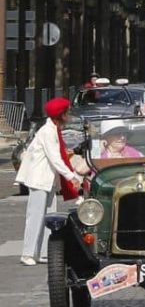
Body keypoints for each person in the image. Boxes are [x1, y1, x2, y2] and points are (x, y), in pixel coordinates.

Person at [15, 97, 82, 266]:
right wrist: (71, 176)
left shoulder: (53, 129)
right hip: (39, 179)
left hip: (48, 180)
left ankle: (44, 252)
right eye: (67, 112)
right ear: (61, 115)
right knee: (35, 217)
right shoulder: (47, 132)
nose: (69, 115)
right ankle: (28, 253)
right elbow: (55, 159)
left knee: (49, 218)